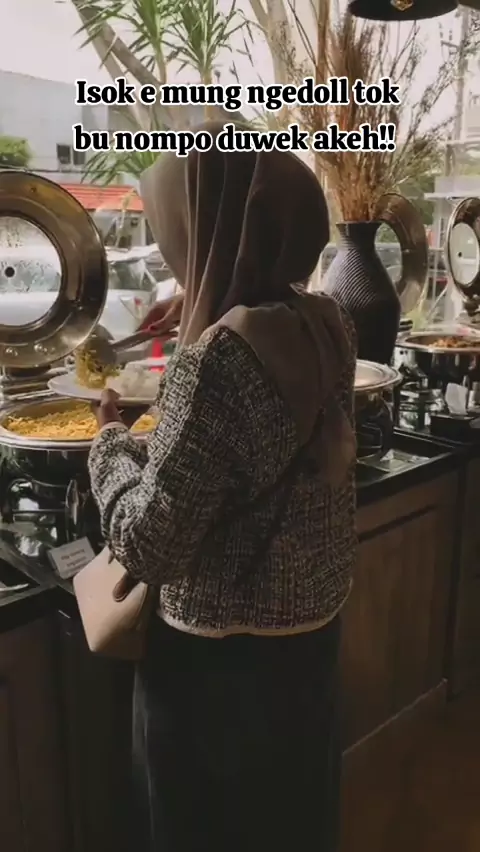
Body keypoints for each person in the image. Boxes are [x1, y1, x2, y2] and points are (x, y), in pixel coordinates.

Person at [88, 123, 357, 852]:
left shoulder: (217, 360)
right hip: (309, 639)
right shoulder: (328, 320)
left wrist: (109, 443)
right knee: (291, 822)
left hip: (218, 669)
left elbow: (150, 543)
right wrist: (199, 307)